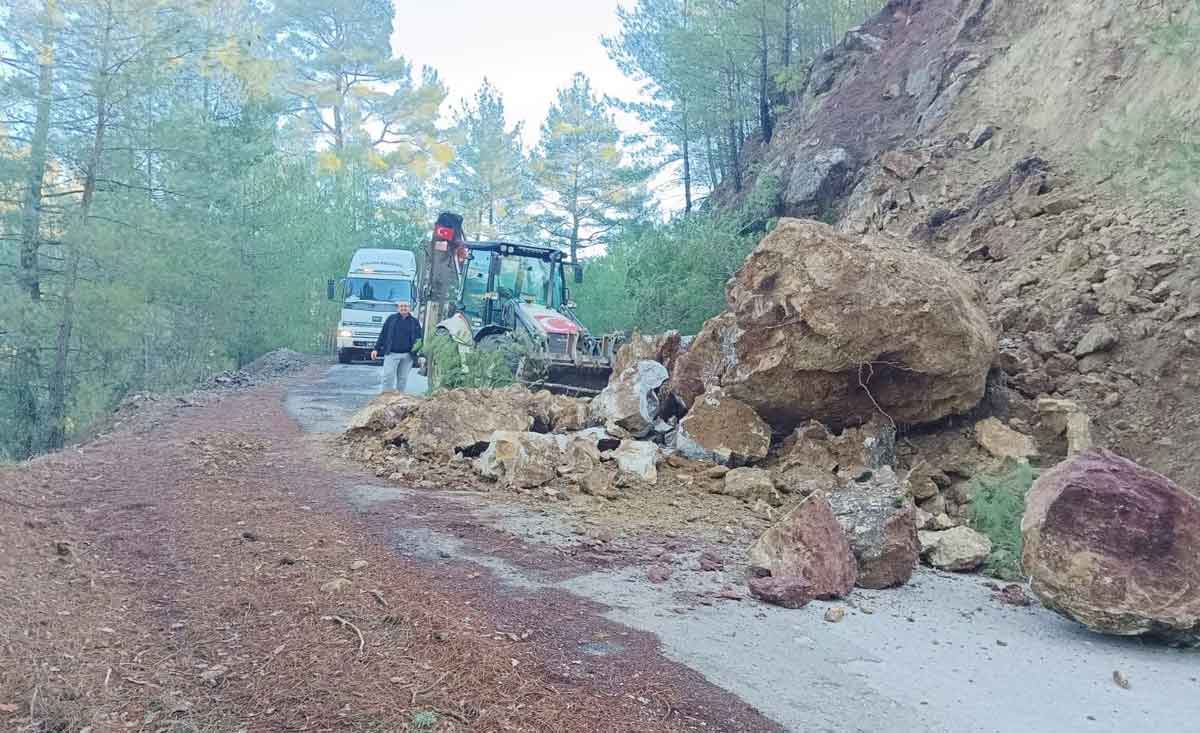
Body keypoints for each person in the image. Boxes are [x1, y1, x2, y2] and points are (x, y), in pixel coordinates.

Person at [371, 300, 422, 393]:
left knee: (402, 379)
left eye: (406, 306)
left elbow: (419, 339)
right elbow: (383, 334)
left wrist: (419, 355)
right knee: (388, 377)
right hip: (391, 353)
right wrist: (376, 349)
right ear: (398, 308)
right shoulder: (391, 319)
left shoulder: (414, 322)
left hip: (407, 355)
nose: (403, 308)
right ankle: (385, 398)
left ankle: (399, 399)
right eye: (401, 306)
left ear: (409, 308)